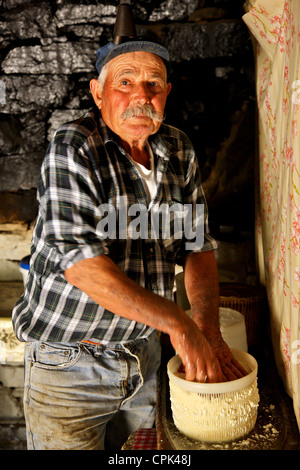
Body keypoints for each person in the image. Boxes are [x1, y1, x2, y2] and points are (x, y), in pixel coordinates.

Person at [12, 5, 247, 451]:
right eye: (124, 83)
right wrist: (180, 324)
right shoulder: (75, 147)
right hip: (69, 366)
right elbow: (83, 268)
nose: (141, 95)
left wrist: (209, 332)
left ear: (167, 93)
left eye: (153, 84)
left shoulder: (177, 148)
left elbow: (198, 247)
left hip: (146, 356)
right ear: (98, 94)